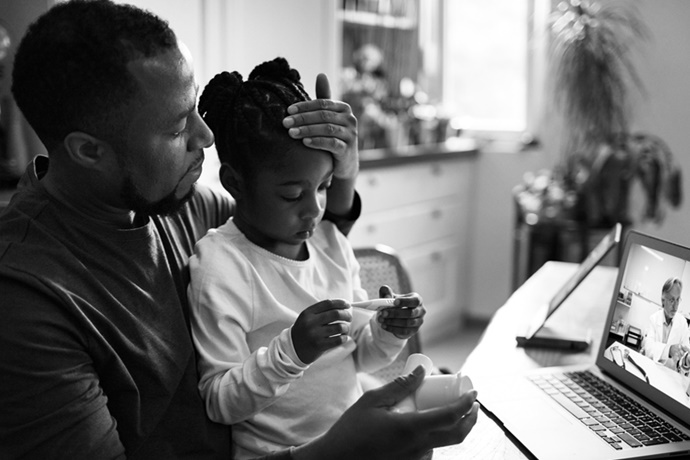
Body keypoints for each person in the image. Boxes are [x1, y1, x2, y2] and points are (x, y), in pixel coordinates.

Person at [0, 1, 478, 459]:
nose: (205, 137)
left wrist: (343, 172)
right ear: (89, 151)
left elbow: (295, 244)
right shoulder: (26, 302)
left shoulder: (182, 201)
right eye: (175, 128)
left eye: (195, 110)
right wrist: (335, 451)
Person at [189, 58, 425, 459]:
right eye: (292, 195)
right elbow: (219, 402)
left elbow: (361, 358)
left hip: (355, 442)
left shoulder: (330, 243)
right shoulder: (221, 265)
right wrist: (292, 351)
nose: (314, 210)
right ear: (234, 183)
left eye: (323, 187)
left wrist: (389, 331)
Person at [641, 277, 690, 371]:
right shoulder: (653, 319)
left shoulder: (683, 323)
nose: (675, 306)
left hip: (670, 376)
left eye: (678, 300)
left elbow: (684, 356)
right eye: (672, 300)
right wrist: (669, 350)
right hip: (651, 370)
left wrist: (687, 361)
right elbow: (648, 347)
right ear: (663, 300)